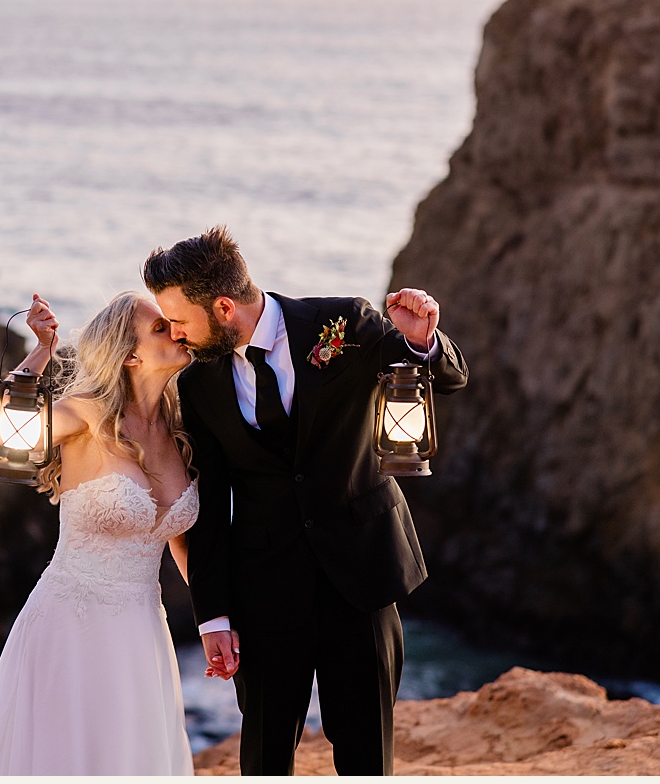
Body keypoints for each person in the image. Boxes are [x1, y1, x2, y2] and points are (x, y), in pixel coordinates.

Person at [142, 226, 467, 775]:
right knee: (265, 756)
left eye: (179, 321)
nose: (174, 335)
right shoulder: (198, 385)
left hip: (361, 576)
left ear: (223, 307)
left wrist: (420, 341)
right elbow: (210, 503)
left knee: (367, 752)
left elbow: (447, 377)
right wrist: (213, 614)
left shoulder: (342, 322)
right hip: (264, 590)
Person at [0, 291, 199, 774]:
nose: (176, 330)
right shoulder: (88, 414)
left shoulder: (181, 429)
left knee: (130, 757)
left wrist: (215, 619)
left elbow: (177, 541)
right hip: (71, 625)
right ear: (129, 355)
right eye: (159, 328)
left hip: (143, 632)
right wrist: (42, 349)